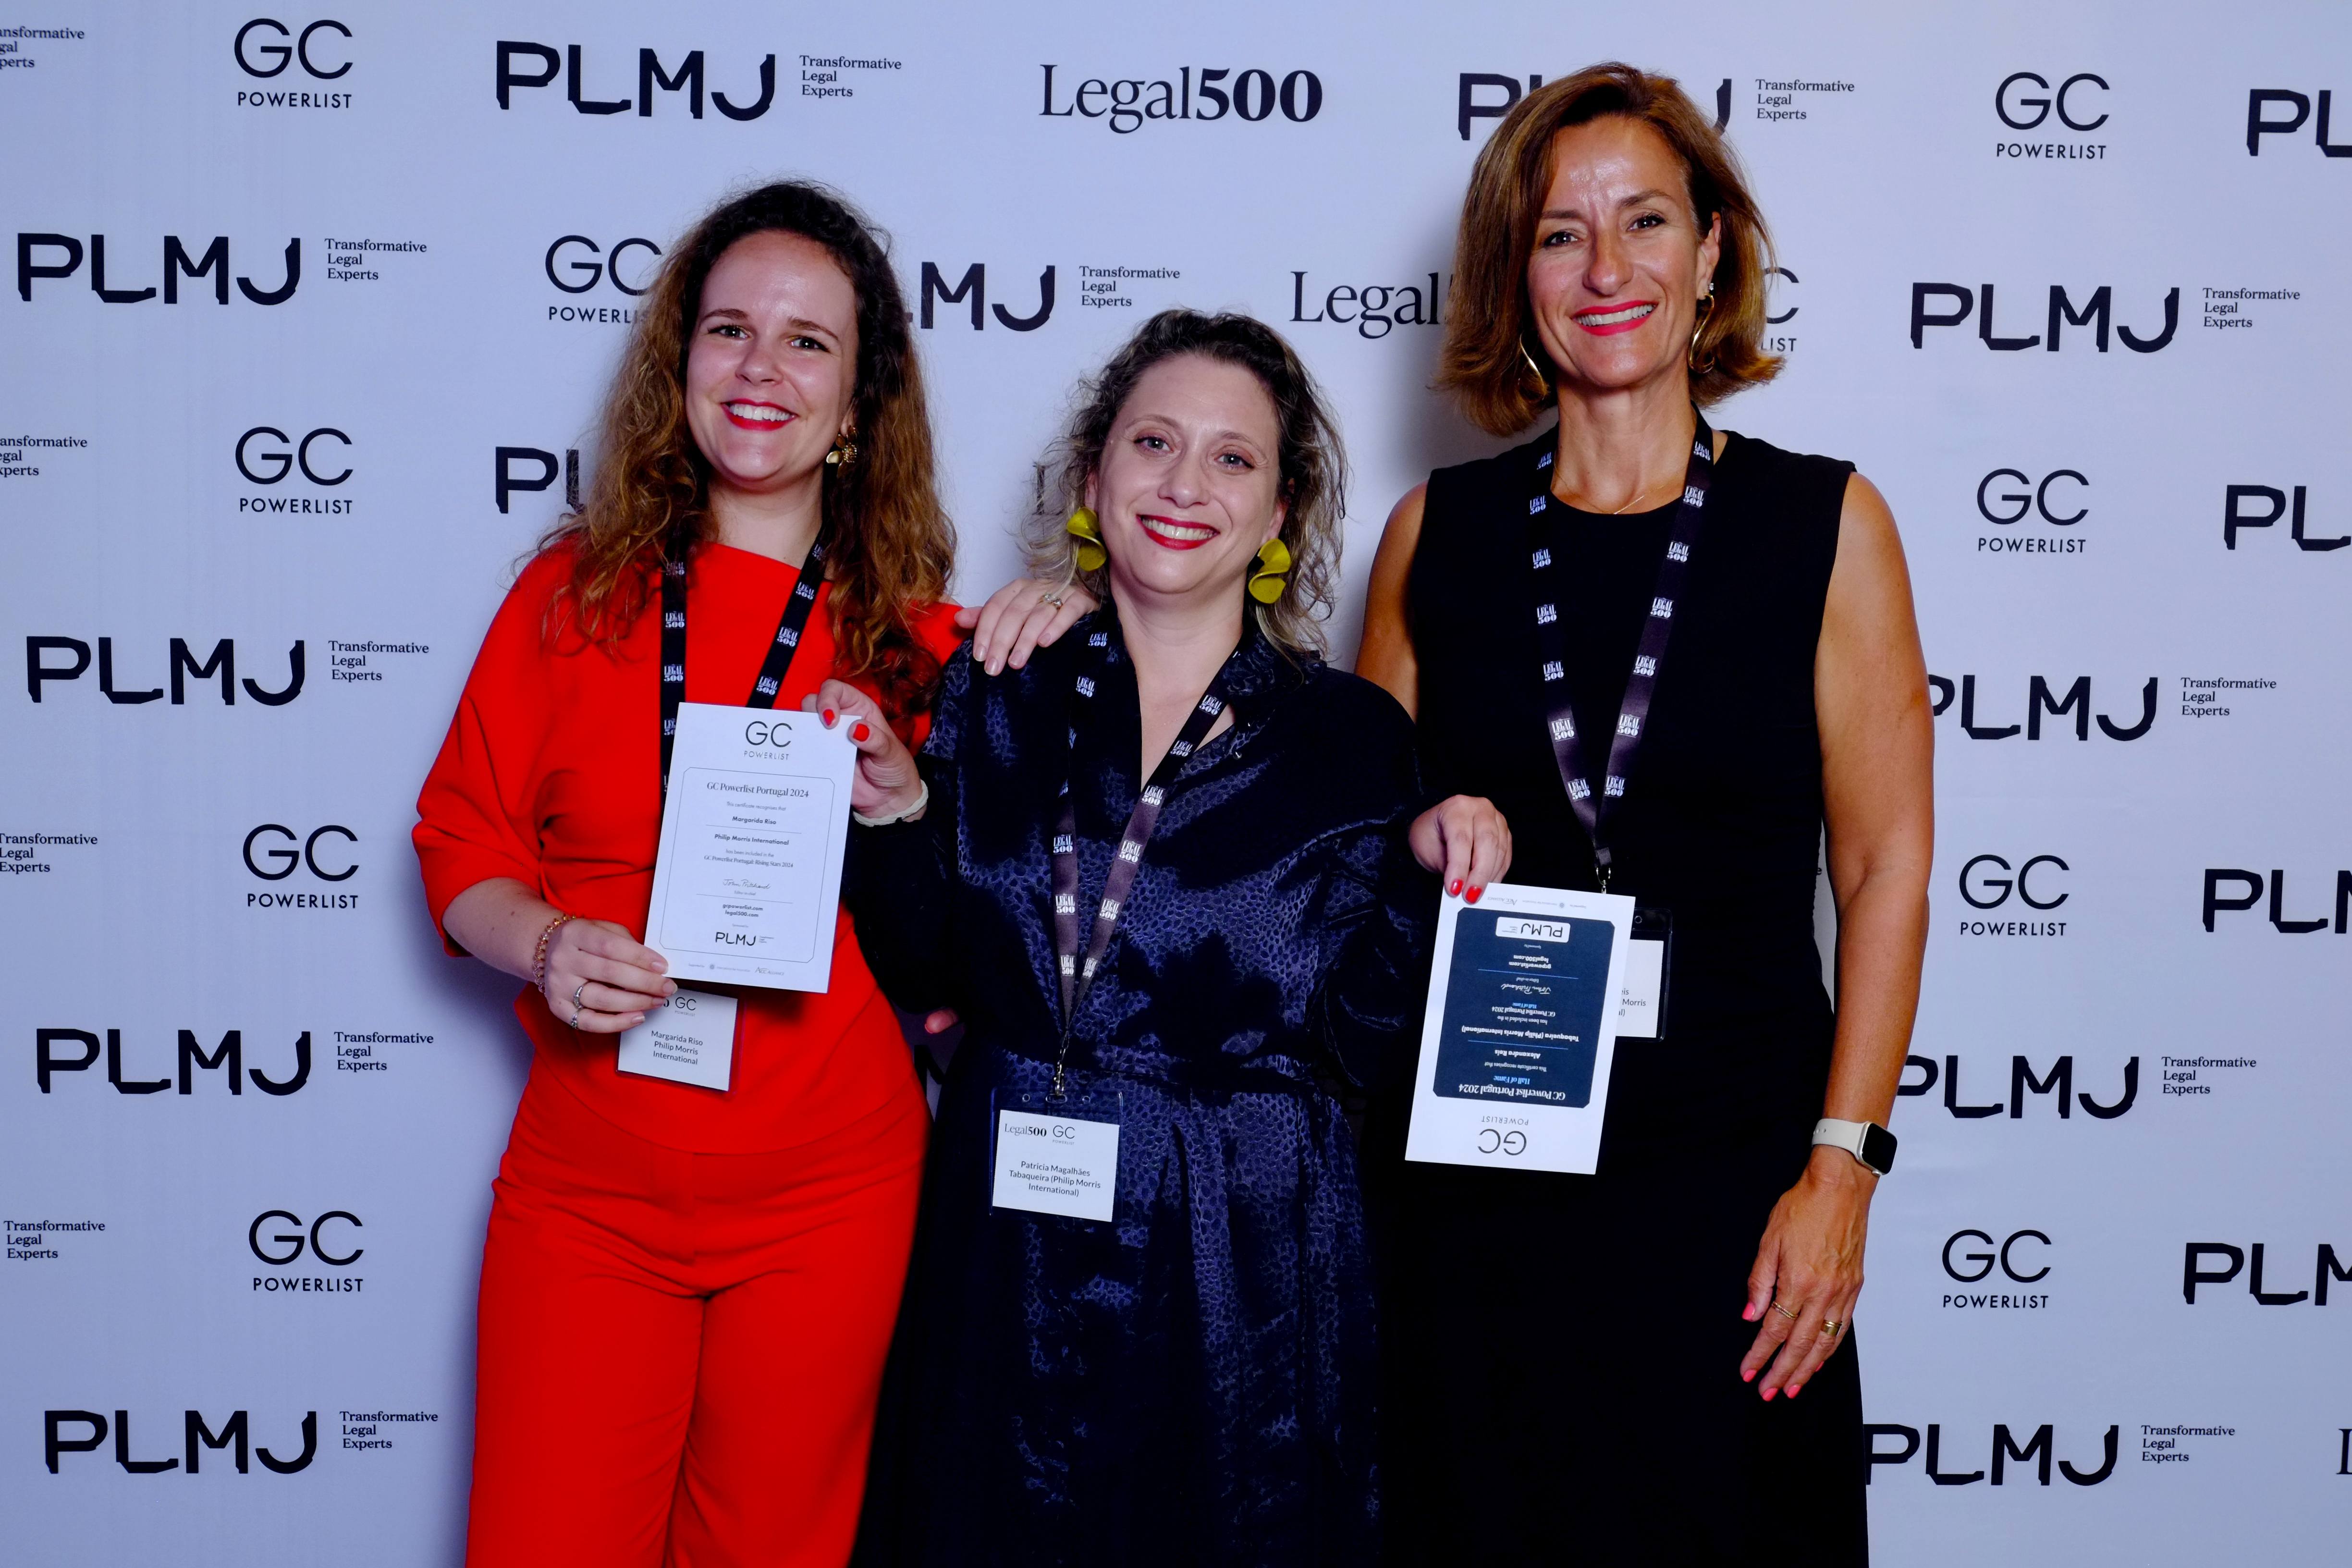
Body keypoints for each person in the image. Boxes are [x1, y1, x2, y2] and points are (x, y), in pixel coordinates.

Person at [1353, 64, 1933, 1563]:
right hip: (1479, 1188)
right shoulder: (1435, 536)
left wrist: (1842, 1170)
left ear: (1714, 252)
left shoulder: (1826, 523)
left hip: (1740, 1192)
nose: (1606, 268)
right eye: (1561, 233)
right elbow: (1351, 862)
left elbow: (1885, 867)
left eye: (1647, 221)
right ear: (1516, 273)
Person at [821, 310, 1433, 1564]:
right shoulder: (998, 684)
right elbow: (927, 969)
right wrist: (891, 812)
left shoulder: (1355, 739)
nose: (1184, 484)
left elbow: (1368, 1047)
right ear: (1096, 477)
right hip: (1008, 1245)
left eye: (1232, 457)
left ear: (1279, 514)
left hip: (1240, 1266)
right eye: (1154, 443)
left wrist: (1432, 886)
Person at [412, 181, 962, 1568]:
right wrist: (545, 943)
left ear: (859, 402)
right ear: (682, 362)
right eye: (730, 330)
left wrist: (915, 788)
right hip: (590, 1194)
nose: (761, 367)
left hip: (831, 1203)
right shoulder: (568, 598)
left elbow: (970, 931)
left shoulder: (922, 642)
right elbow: (462, 845)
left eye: (808, 341)